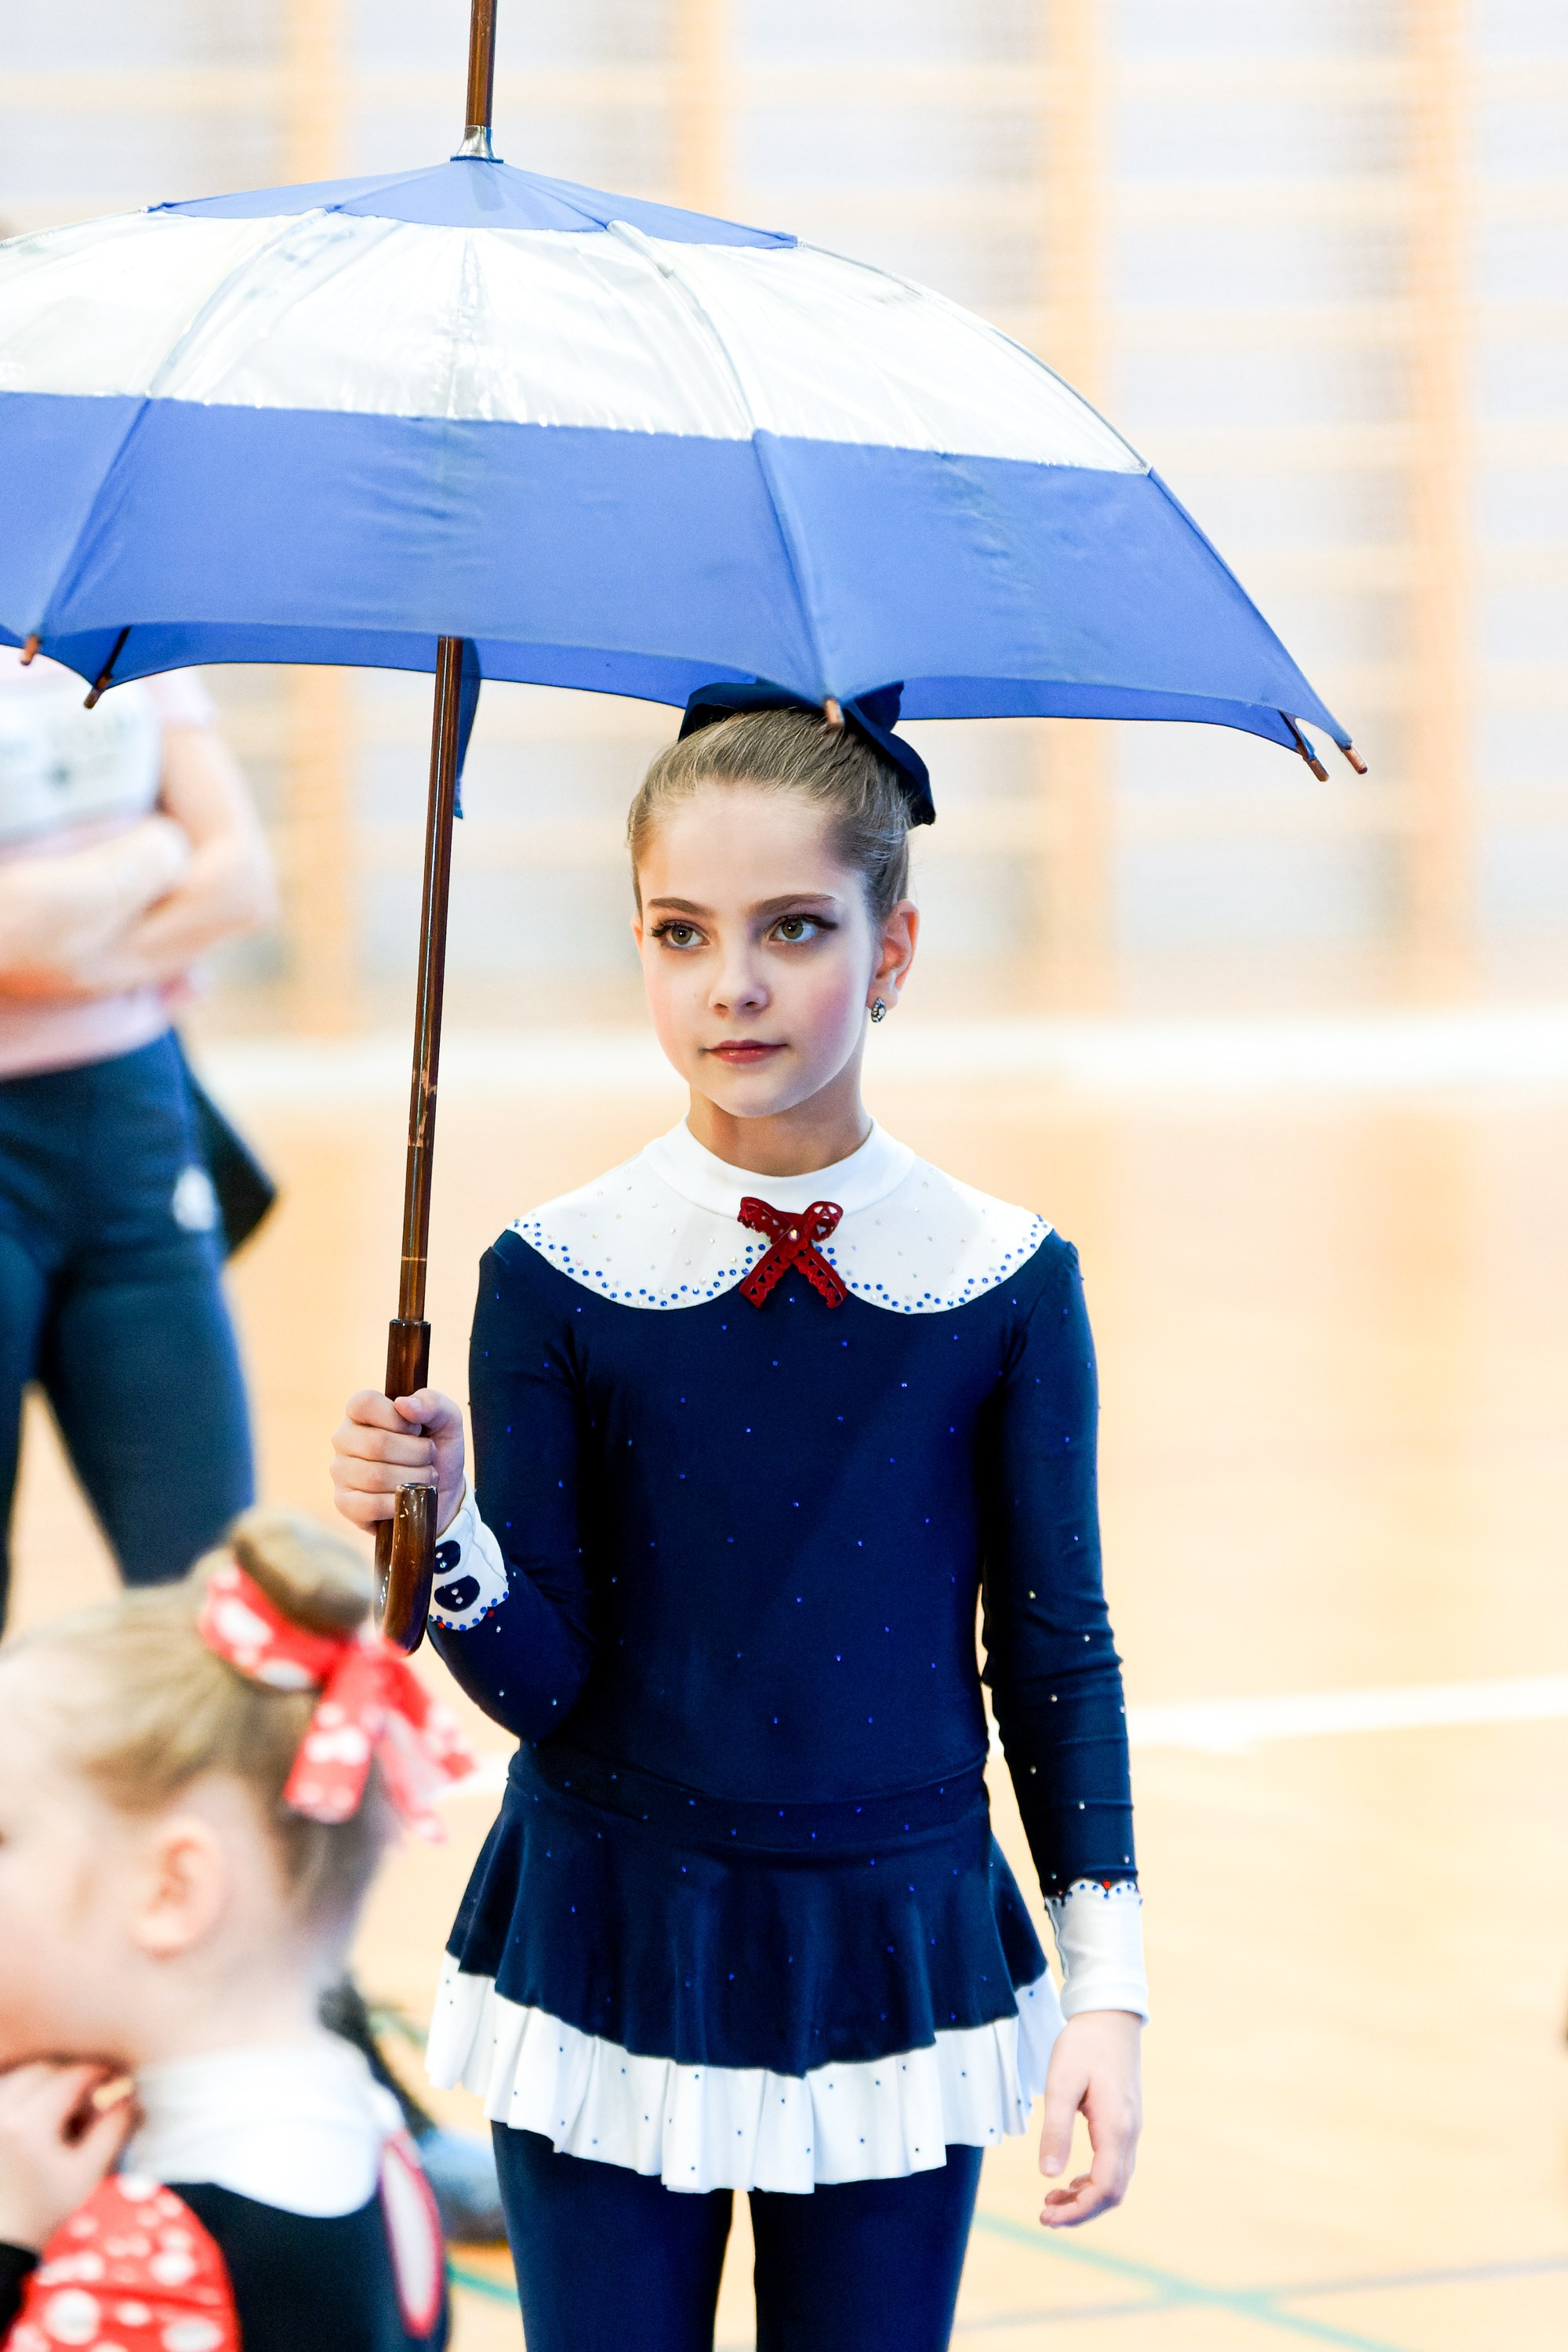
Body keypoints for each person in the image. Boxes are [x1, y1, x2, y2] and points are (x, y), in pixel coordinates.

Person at [332, 692, 1148, 2352]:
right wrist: (449, 1521)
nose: (735, 986)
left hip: (896, 1948)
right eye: (680, 933)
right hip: (609, 1929)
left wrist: (1106, 1992)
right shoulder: (550, 1272)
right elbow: (541, 1684)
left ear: (894, 946)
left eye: (793, 929)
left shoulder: (1005, 1279)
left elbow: (1055, 1654)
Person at [0, 1508, 467, 2352]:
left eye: (3, 1837)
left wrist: (8, 2250)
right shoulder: (372, 2136)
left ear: (172, 1889)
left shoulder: (144, 2263)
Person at [0, 645, 274, 1628]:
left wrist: (69, 950)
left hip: (134, 1125)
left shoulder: (119, 637)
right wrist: (157, 849)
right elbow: (9, 932)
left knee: (210, 1587)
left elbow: (242, 879)